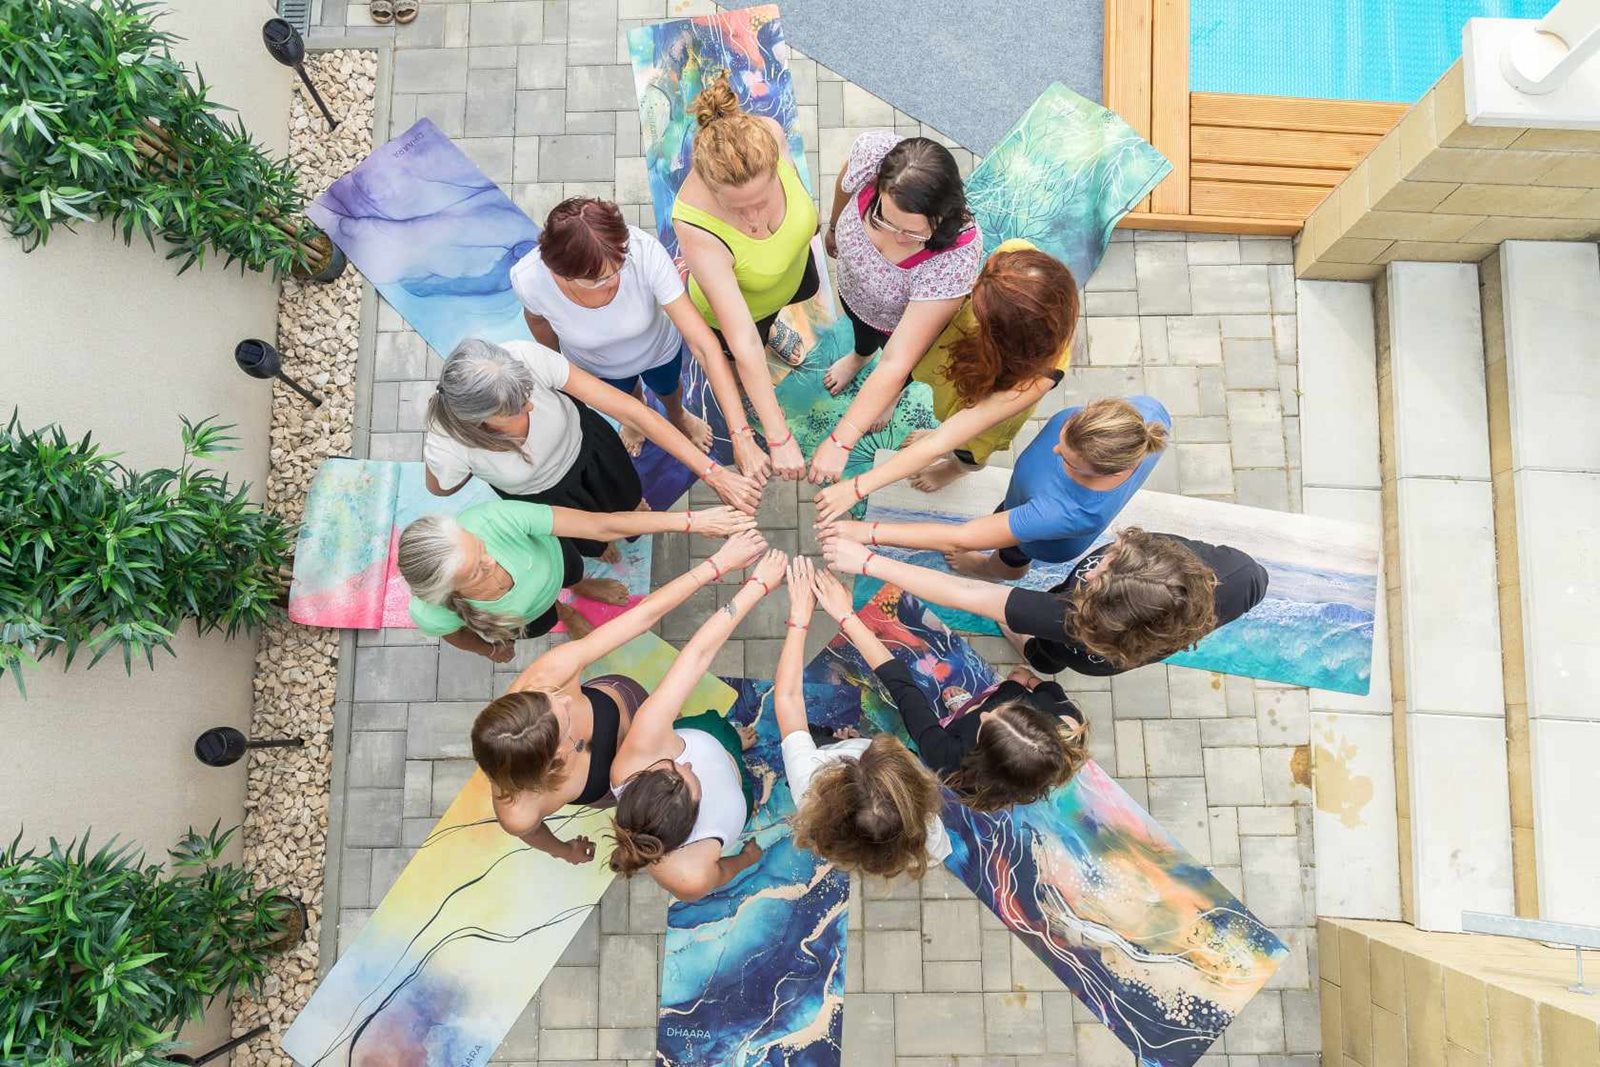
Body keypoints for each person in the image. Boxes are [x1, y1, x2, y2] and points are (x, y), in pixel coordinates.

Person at [470, 529, 767, 864]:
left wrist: (716, 565)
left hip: (629, 703)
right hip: (626, 776)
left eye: (551, 698)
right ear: (559, 753)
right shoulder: (519, 812)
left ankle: (718, 741)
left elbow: (642, 617)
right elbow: (532, 831)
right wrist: (564, 851)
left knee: (674, 720)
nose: (565, 697)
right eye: (563, 714)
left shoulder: (547, 678)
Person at [510, 197, 770, 486]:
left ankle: (678, 414)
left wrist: (740, 434)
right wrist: (554, 363)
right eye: (599, 279)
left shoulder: (643, 251)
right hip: (596, 366)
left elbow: (704, 346)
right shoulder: (529, 278)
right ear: (561, 272)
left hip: (658, 350)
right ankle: (634, 421)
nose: (613, 281)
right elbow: (537, 320)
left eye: (619, 267)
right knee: (628, 399)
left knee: (669, 389)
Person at [424, 339, 759, 544]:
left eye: (528, 394)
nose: (530, 406)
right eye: (515, 409)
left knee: (626, 489)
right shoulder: (447, 446)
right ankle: (604, 543)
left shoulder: (521, 355)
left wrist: (713, 473)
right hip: (545, 495)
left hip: (591, 446)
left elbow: (634, 412)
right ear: (479, 420)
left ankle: (631, 508)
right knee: (588, 535)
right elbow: (441, 487)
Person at [809, 242, 1078, 496]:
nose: (972, 287)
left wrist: (858, 487)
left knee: (968, 450)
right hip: (957, 347)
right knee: (916, 363)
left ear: (1004, 337)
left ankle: (954, 469)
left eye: (980, 306)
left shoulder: (1032, 381)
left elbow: (944, 440)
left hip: (985, 388)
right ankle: (897, 398)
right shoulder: (1012, 257)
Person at [819, 528, 1269, 677]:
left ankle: (1030, 647)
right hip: (1134, 632)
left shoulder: (1074, 619)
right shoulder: (1243, 575)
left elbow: (970, 594)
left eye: (1097, 580)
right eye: (1111, 558)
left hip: (1086, 645)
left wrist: (870, 561)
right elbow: (1258, 578)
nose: (1088, 572)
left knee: (1045, 654)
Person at [606, 548, 791, 901]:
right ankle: (736, 750)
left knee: (725, 735)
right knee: (735, 766)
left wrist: (756, 586)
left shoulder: (637, 754)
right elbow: (721, 872)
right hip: (736, 785)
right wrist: (746, 859)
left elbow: (696, 656)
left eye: (673, 765)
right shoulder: (688, 876)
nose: (688, 764)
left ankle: (734, 740)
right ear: (689, 823)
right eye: (689, 779)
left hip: (710, 735)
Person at [819, 396, 1170, 581]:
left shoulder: (1065, 512)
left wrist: (867, 532)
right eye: (1063, 438)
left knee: (1011, 555)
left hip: (1046, 536)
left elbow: (962, 537)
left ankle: (984, 571)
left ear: (1108, 470)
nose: (1055, 451)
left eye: (1068, 461)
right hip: (1025, 497)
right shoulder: (1147, 414)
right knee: (1004, 511)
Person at [672, 74, 820, 482]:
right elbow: (743, 338)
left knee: (776, 315)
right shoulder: (694, 225)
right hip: (742, 308)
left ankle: (774, 331)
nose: (754, 217)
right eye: (739, 208)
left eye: (762, 199)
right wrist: (777, 435)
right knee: (745, 349)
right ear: (711, 188)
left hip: (790, 272)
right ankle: (744, 377)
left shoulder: (770, 132)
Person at [398, 499, 753, 660]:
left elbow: (599, 525)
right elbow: (459, 636)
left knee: (574, 570)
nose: (492, 559)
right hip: (529, 618)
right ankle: (565, 612)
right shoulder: (431, 612)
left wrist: (691, 521)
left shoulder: (492, 519)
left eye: (480, 547)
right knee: (545, 620)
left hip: (558, 562)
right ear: (450, 591)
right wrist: (489, 650)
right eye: (478, 570)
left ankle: (579, 586)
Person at [776, 557, 949, 878]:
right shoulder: (929, 836)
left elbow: (788, 699)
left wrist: (799, 619)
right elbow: (935, 854)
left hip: (830, 751)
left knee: (819, 735)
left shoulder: (808, 783)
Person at [814, 131, 979, 401]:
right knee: (860, 330)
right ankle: (861, 355)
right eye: (884, 219)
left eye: (914, 232)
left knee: (905, 362)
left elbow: (900, 357)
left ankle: (894, 396)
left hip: (896, 326)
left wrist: (881, 397)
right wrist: (833, 227)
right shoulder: (873, 156)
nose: (898, 238)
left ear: (944, 214)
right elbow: (845, 184)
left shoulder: (956, 258)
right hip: (853, 293)